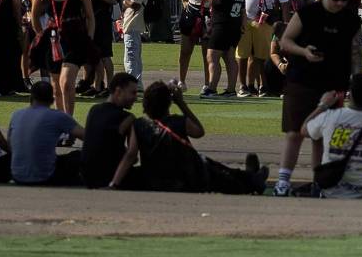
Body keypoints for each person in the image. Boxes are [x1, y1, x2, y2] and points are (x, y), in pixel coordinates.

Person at [274, 0, 362, 196]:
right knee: (294, 132)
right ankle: (283, 181)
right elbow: (285, 42)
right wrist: (304, 52)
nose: (340, 3)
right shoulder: (307, 13)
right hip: (301, 80)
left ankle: (319, 183)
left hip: (334, 84)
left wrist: (356, 81)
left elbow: (356, 52)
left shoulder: (351, 19)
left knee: (321, 136)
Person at [108, 80, 263, 194]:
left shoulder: (139, 125)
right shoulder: (177, 122)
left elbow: (131, 155)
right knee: (221, 174)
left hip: (154, 179)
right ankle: (253, 180)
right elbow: (199, 131)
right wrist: (181, 103)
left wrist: (115, 183)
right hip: (186, 179)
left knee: (218, 170)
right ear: (168, 103)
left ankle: (250, 176)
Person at [8, 81, 85, 185]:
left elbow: (10, 144)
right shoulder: (58, 116)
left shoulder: (16, 115)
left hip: (17, 175)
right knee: (77, 155)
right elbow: (87, 137)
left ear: (31, 98)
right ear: (52, 100)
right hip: (45, 177)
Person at [82, 73, 143, 188]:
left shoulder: (94, 110)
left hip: (87, 176)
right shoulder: (128, 118)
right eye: (133, 93)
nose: (135, 98)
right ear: (118, 91)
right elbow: (132, 155)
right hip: (110, 176)